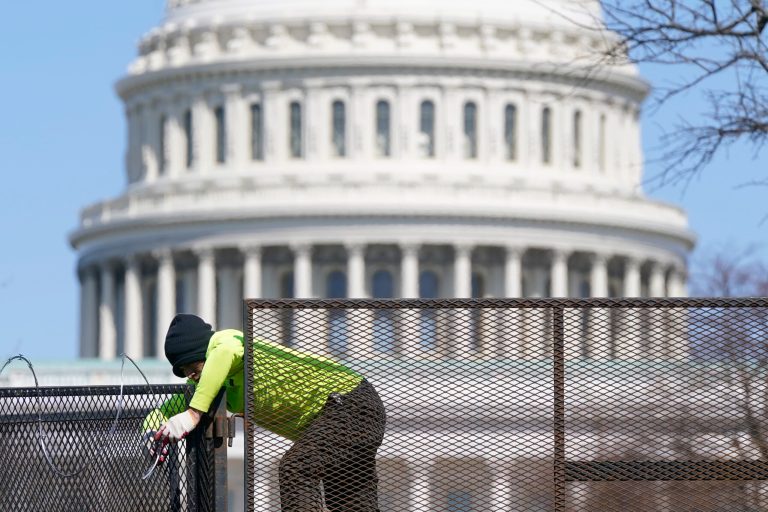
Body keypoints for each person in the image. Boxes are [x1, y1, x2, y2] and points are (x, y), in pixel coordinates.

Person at [144, 313, 387, 511]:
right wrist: (152, 432)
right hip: (346, 414)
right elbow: (166, 409)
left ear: (202, 353)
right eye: (184, 372)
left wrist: (194, 414)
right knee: (349, 502)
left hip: (351, 403)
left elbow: (225, 352)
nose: (191, 376)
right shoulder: (204, 385)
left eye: (191, 367)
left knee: (296, 468)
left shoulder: (226, 343)